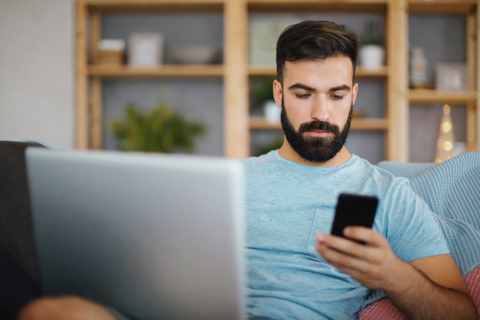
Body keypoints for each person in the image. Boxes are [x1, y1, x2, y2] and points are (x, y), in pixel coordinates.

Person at [18, 20, 476, 320]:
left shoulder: (388, 193)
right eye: (302, 94)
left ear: (354, 95)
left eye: (336, 95)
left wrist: (389, 273)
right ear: (278, 93)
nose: (321, 112)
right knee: (52, 311)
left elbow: (462, 313)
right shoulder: (224, 179)